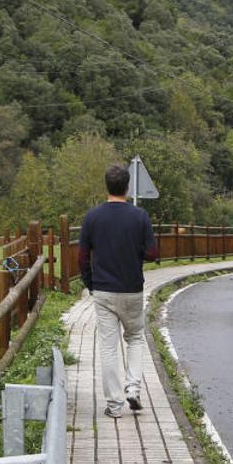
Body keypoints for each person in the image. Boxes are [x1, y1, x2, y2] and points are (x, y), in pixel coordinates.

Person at [79, 164, 159, 419]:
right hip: (132, 289)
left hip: (103, 291)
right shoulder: (140, 216)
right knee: (135, 338)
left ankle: (114, 405)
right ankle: (133, 389)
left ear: (107, 186)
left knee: (108, 347)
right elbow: (153, 253)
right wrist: (133, 253)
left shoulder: (92, 217)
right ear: (127, 187)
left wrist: (90, 283)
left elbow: (82, 256)